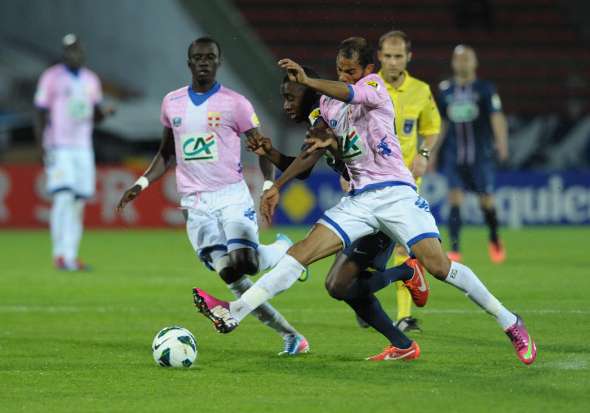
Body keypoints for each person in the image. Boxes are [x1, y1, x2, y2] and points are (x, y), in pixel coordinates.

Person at [192, 37, 536, 365]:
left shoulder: (374, 86)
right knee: (302, 252)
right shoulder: (327, 107)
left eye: (351, 71)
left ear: (368, 69)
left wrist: (309, 81)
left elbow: (350, 92)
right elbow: (312, 152)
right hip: (359, 199)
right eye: (340, 70)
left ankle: (509, 321)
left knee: (439, 267)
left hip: (396, 193)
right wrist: (278, 183)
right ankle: (234, 311)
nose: (344, 76)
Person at [116, 37, 308, 356]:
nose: (204, 62)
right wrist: (141, 183)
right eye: (198, 57)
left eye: (210, 57)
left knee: (246, 263)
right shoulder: (172, 103)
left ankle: (283, 250)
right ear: (189, 63)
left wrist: (267, 185)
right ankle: (291, 336)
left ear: (219, 62)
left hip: (231, 197)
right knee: (231, 274)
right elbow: (166, 153)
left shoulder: (236, 103)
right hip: (195, 205)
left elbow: (261, 146)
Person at [247, 66, 427, 356]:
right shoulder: (320, 117)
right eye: (284, 98)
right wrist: (270, 153)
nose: (286, 105)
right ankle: (403, 343)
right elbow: (305, 165)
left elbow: (307, 161)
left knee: (342, 285)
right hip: (361, 207)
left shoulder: (330, 113)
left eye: (291, 97)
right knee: (341, 286)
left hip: (381, 204)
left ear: (309, 92)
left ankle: (407, 273)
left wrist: (277, 184)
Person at [375, 30, 442, 332]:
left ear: (408, 57)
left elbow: (432, 127)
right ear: (379, 56)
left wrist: (424, 153)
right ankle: (361, 298)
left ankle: (403, 316)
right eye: (388, 56)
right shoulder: (368, 87)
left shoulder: (420, 90)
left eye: (398, 56)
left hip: (405, 183)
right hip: (371, 179)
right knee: (369, 248)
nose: (393, 61)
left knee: (405, 248)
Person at [34, 33, 115, 271]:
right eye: (69, 50)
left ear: (83, 52)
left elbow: (95, 115)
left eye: (77, 49)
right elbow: (39, 111)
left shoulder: (91, 80)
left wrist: (105, 113)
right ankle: (59, 254)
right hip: (59, 145)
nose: (74, 54)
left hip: (82, 147)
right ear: (63, 53)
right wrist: (40, 145)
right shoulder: (52, 77)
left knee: (78, 202)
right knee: (63, 197)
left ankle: (71, 255)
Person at [436, 45, 508, 263]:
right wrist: (432, 151)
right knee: (454, 197)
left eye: (467, 59)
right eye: (459, 59)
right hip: (453, 155)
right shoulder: (445, 90)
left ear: (475, 63)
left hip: (480, 156)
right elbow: (440, 123)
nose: (463, 63)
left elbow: (496, 116)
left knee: (486, 201)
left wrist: (501, 142)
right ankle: (455, 249)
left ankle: (494, 237)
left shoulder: (485, 89)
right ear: (453, 63)